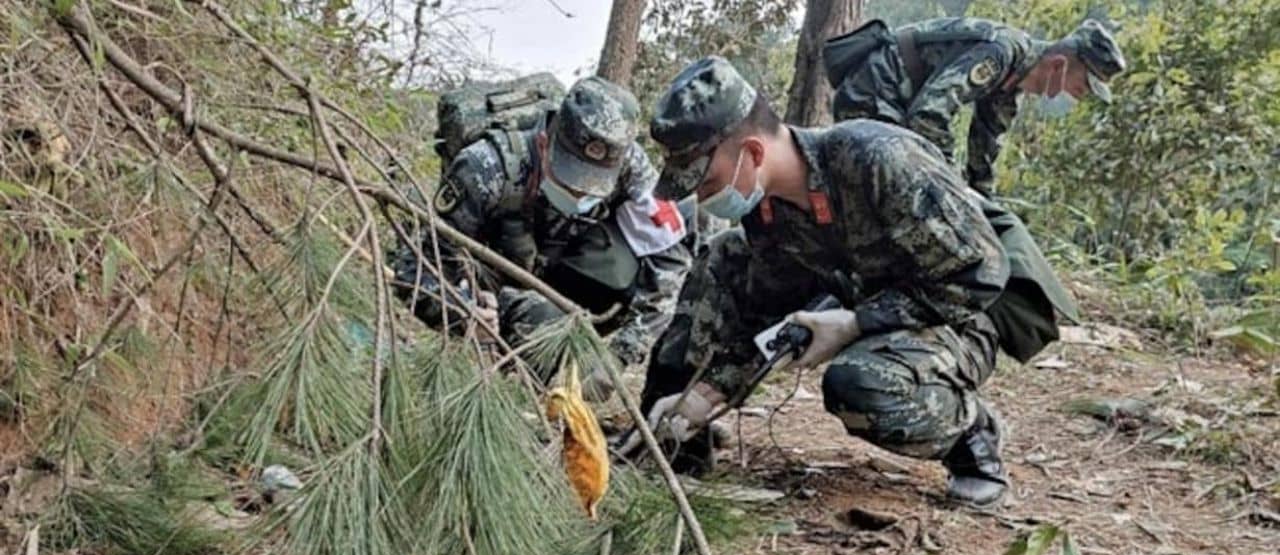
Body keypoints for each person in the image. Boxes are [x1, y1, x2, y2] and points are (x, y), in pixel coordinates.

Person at [636, 56, 1079, 507]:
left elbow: (980, 275)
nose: (704, 197)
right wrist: (709, 393)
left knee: (859, 384)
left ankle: (972, 436)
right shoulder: (767, 213)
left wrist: (856, 324)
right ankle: (672, 434)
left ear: (752, 153)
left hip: (962, 314)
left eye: (706, 181)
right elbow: (766, 312)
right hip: (864, 301)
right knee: (725, 254)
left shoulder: (878, 159)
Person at [395, 76, 690, 386]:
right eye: (569, 179)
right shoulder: (485, 168)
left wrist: (619, 359)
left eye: (594, 187)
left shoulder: (632, 167)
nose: (579, 195)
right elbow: (413, 270)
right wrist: (464, 312)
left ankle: (562, 357)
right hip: (496, 283)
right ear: (544, 144)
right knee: (541, 318)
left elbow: (670, 263)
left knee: (634, 276)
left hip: (565, 272)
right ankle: (513, 387)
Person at [824, 17, 1125, 197]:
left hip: (898, 106)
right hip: (874, 92)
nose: (1078, 95)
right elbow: (929, 116)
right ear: (1060, 64)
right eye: (1081, 85)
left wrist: (984, 208)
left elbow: (983, 155)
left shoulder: (1011, 86)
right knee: (888, 192)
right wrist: (952, 186)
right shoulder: (1001, 52)